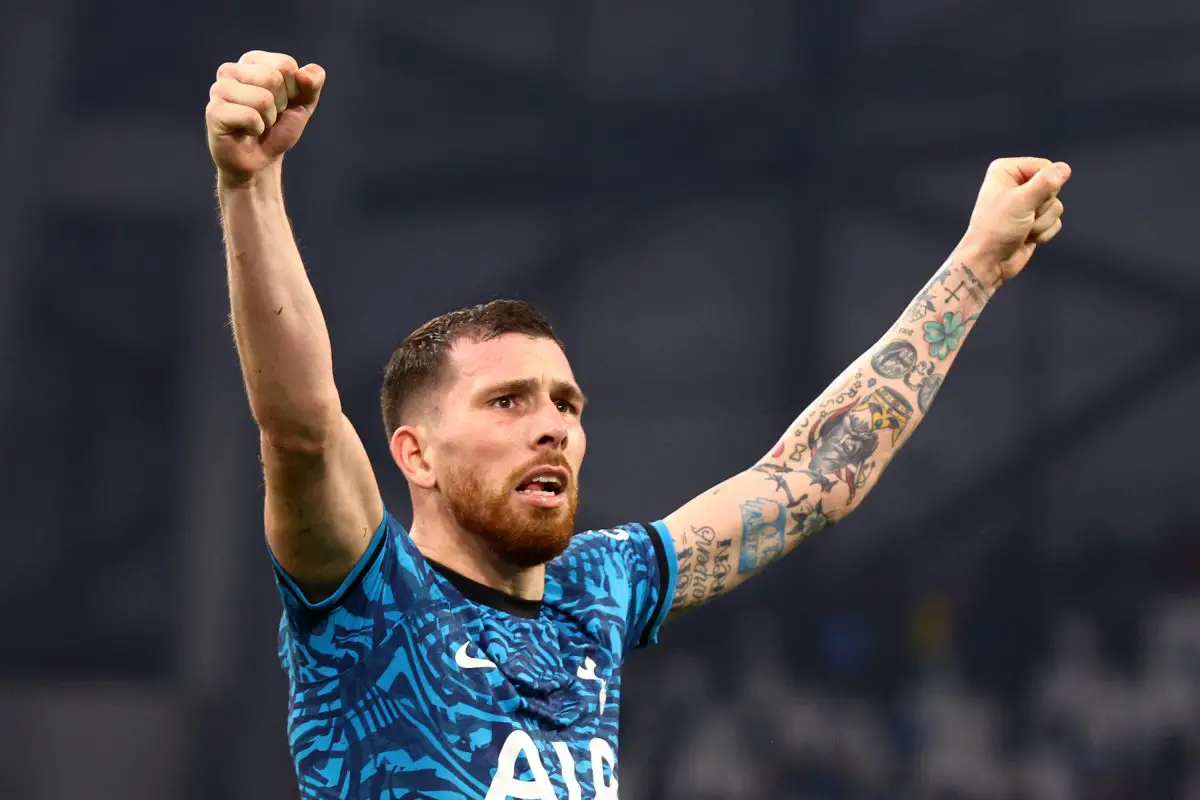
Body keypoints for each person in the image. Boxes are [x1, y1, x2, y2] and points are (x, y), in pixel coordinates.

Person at [205, 49, 1070, 799]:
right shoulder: (372, 596)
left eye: (567, 405)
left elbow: (808, 479)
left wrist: (975, 266)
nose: (552, 427)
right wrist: (251, 186)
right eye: (508, 401)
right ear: (415, 454)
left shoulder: (600, 587)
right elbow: (303, 423)